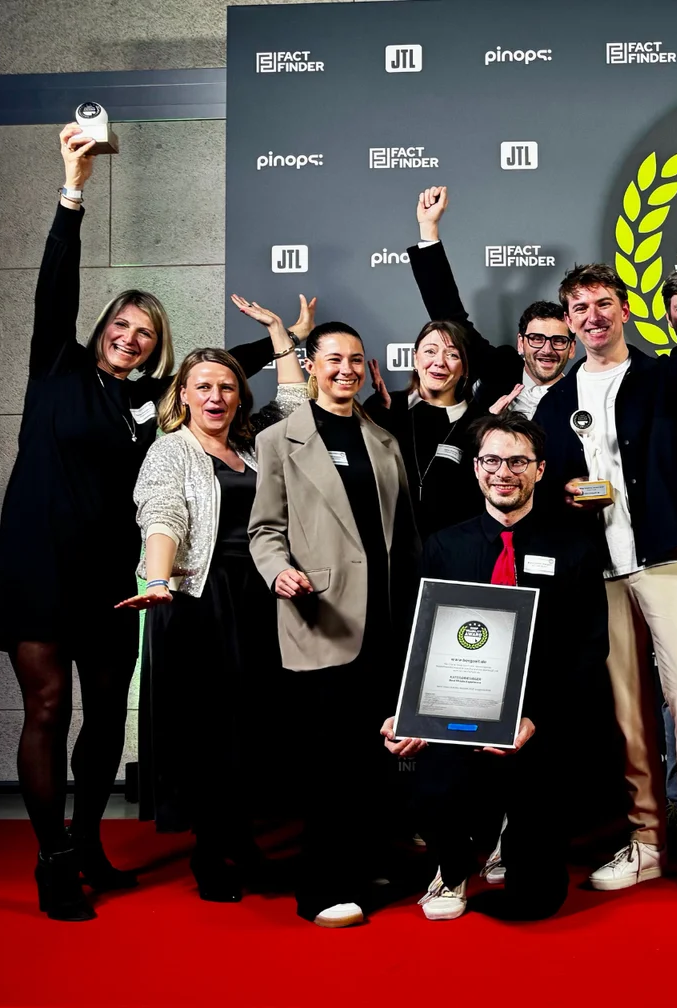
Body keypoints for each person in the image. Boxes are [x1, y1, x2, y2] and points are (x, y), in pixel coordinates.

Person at [0, 124, 296, 921]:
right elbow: (56, 284)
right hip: (38, 567)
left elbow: (209, 377)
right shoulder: (56, 369)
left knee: (100, 721)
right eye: (121, 327)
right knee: (48, 710)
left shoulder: (149, 409)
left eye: (144, 335)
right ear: (100, 332)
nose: (129, 339)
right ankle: (53, 859)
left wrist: (272, 345)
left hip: (110, 578)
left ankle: (88, 840)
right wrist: (72, 190)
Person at [533, 249, 677, 899]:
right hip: (598, 572)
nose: (592, 316)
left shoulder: (664, 377)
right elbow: (545, 486)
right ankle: (647, 840)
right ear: (568, 320)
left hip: (668, 559)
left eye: (603, 304)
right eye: (579, 308)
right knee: (629, 714)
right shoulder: (554, 401)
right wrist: (565, 495)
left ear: (623, 310)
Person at [381, 412, 610, 922]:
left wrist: (535, 719)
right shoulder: (444, 546)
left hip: (538, 719)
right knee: (431, 780)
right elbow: (419, 638)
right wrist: (407, 710)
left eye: (517, 461)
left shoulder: (574, 548)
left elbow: (588, 649)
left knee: (536, 903)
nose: (502, 472)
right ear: (476, 468)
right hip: (460, 711)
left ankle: (514, 840)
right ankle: (453, 862)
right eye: (490, 460)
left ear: (540, 470)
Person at [120, 301, 310, 901]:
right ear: (184, 394)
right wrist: (156, 580)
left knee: (251, 724)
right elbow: (162, 513)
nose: (216, 395)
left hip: (257, 596)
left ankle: (241, 841)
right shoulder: (171, 450)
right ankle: (209, 852)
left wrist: (282, 337)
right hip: (199, 600)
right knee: (207, 730)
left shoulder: (254, 448)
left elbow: (296, 407)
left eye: (227, 386)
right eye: (203, 386)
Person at [249, 322, 420, 928]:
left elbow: (401, 532)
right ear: (311, 365)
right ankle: (321, 886)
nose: (346, 369)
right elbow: (265, 530)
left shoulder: (383, 438)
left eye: (355, 359)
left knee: (374, 756)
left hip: (387, 620)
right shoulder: (277, 441)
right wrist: (277, 573)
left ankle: (368, 863)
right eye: (333, 359)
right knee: (328, 761)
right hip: (321, 615)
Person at [405, 186, 576, 416]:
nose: (547, 349)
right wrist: (428, 228)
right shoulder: (500, 368)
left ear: (572, 347)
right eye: (536, 339)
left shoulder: (581, 393)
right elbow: (449, 316)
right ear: (520, 343)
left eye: (558, 340)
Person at [362, 319, 484, 537]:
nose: (439, 362)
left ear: (465, 368)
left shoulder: (479, 422)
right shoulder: (385, 407)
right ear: (415, 359)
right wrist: (382, 418)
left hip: (451, 548)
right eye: (430, 351)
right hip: (391, 547)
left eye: (452, 355)